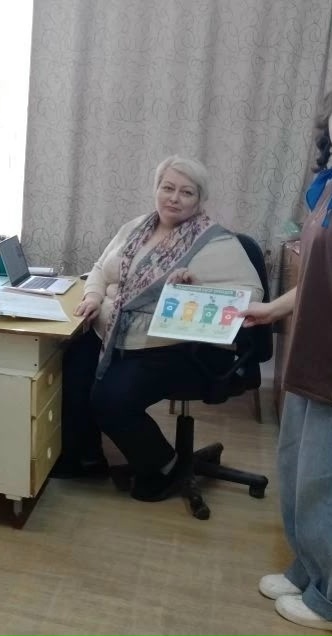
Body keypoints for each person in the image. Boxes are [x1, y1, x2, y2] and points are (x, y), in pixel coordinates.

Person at [53, 155, 263, 502]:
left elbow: (251, 295)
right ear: (156, 189)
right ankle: (85, 457)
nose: (174, 198)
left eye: (186, 192)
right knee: (72, 363)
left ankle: (165, 466)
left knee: (110, 400)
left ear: (199, 199)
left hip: (176, 347)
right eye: (167, 188)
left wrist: (195, 290)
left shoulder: (215, 242)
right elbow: (100, 269)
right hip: (113, 334)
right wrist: (92, 296)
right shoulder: (136, 227)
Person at [248, 92, 332, 631]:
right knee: (296, 467)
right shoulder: (327, 187)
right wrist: (270, 309)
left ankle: (329, 597)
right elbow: (315, 279)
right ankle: (308, 568)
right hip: (308, 348)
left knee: (324, 478)